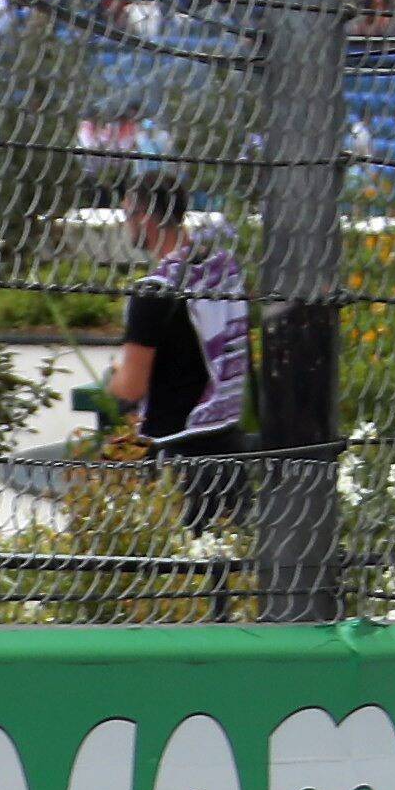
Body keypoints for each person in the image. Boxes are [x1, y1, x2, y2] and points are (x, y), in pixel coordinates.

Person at [106, 167, 251, 527]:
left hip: (175, 456)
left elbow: (131, 386)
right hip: (227, 445)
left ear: (144, 217)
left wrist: (113, 380)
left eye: (127, 216)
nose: (126, 226)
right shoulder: (222, 271)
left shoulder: (153, 292)